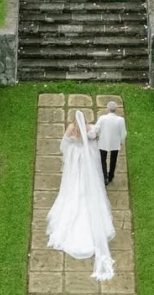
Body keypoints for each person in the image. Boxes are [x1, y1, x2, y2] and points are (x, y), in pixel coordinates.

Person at [46, 111, 115, 282]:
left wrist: (71, 147)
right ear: (85, 120)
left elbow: (64, 144)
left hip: (76, 160)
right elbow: (93, 140)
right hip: (86, 160)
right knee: (88, 183)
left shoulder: (71, 128)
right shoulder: (89, 128)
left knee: (73, 183)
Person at [90, 101, 127, 188]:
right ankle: (110, 176)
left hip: (103, 142)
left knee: (103, 159)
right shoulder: (121, 120)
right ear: (116, 109)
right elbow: (123, 133)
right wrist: (121, 141)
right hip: (115, 143)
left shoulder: (102, 118)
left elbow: (96, 128)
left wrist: (92, 135)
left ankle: (104, 177)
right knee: (113, 160)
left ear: (108, 108)